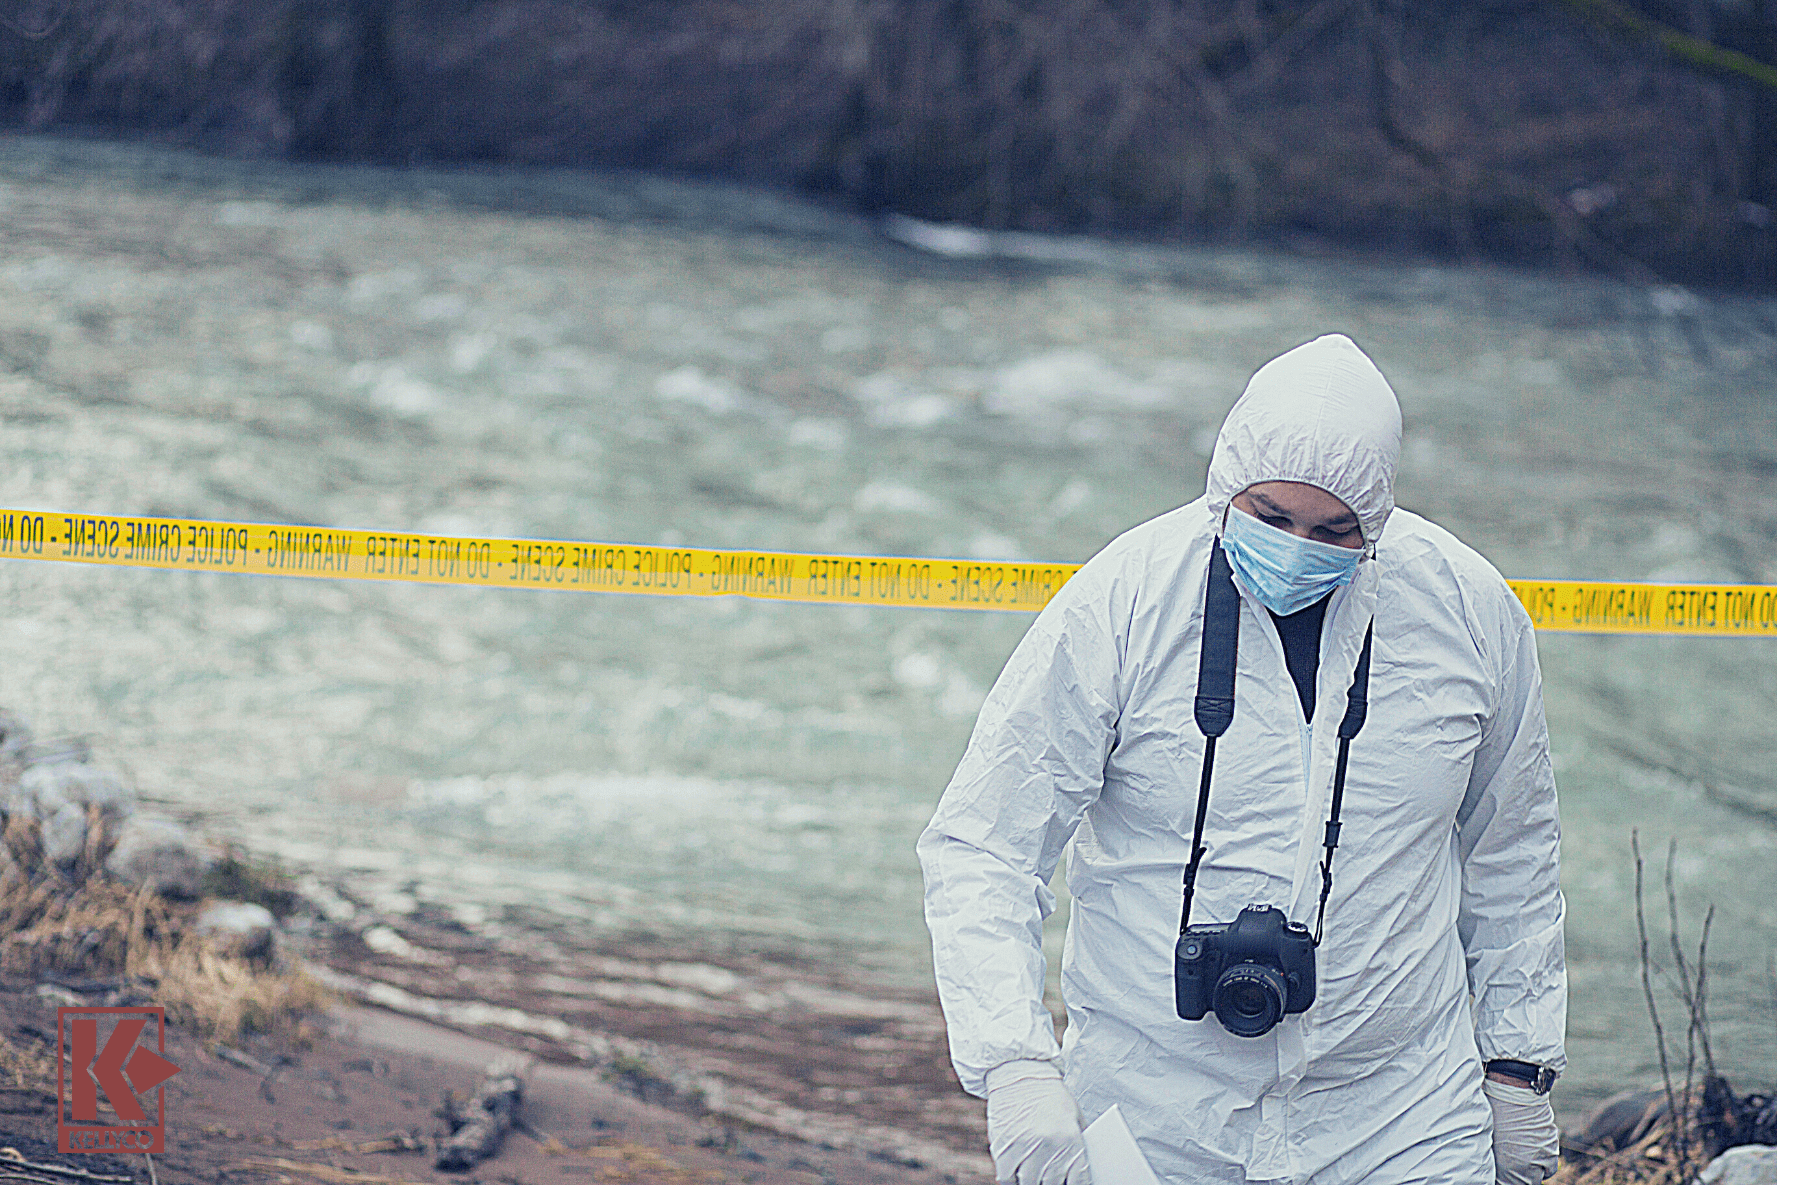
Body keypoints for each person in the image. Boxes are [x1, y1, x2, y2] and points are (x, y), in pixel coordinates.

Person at [916, 333, 1566, 1184]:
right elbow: (987, 844)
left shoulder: (1468, 610)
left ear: (1380, 520)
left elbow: (1513, 851)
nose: (1300, 546)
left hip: (1402, 1111)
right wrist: (1015, 1065)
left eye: (1336, 530)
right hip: (1152, 1108)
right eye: (1270, 517)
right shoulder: (1125, 599)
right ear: (1223, 488)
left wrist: (1517, 1066)